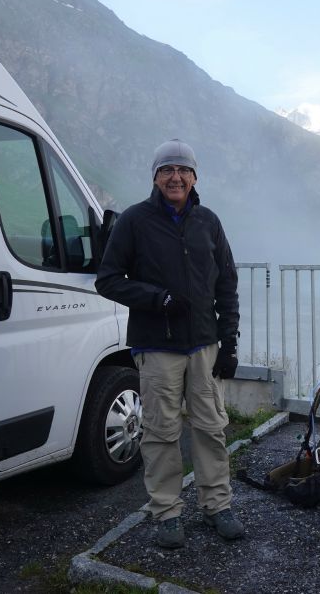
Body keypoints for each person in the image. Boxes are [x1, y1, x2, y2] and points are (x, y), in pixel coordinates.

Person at [95, 138, 243, 549]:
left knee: (211, 429)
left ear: (195, 177)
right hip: (156, 347)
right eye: (167, 170)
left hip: (203, 346)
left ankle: (218, 506)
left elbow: (227, 284)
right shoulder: (134, 221)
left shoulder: (209, 222)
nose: (175, 177)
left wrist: (228, 343)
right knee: (160, 432)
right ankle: (166, 513)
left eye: (183, 170)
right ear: (155, 177)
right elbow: (107, 278)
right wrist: (156, 299)